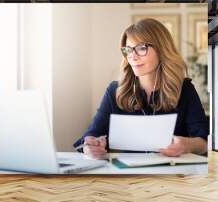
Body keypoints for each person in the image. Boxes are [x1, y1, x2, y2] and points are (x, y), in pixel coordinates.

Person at [73, 18, 209, 159]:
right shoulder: (115, 91)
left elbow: (203, 141)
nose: (133, 56)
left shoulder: (185, 89)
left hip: (175, 175)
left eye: (141, 48)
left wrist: (186, 145)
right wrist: (90, 147)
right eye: (128, 50)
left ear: (161, 49)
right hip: (130, 175)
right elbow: (92, 134)